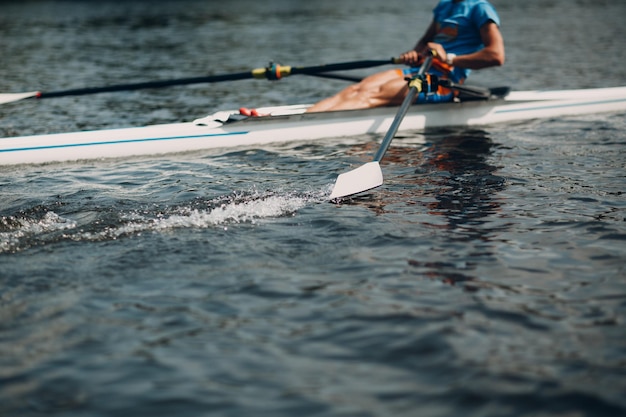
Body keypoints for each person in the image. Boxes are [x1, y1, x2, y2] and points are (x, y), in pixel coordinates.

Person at [305, 0, 505, 113]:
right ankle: (306, 117)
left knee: (371, 94)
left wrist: (449, 58)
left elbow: (496, 56)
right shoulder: (444, 6)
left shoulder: (480, 9)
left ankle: (307, 127)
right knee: (356, 88)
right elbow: (425, 41)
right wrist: (415, 53)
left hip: (443, 80)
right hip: (420, 69)